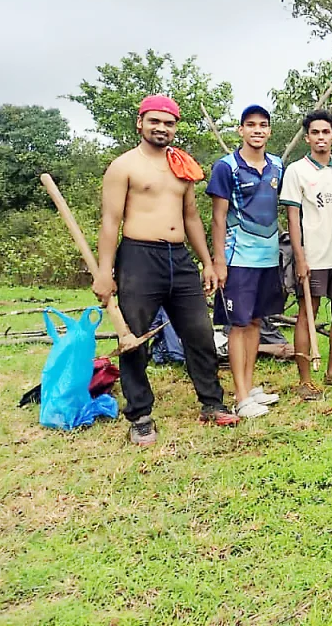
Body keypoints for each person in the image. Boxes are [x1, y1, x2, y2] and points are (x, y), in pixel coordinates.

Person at [92, 95, 239, 445]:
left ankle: (212, 403)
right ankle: (140, 414)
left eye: (169, 123)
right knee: (134, 339)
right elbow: (110, 221)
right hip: (139, 257)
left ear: (175, 128)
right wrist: (104, 271)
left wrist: (206, 261)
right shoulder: (124, 166)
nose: (162, 128)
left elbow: (190, 217)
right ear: (140, 123)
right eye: (154, 121)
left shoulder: (181, 166)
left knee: (200, 333)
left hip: (179, 257)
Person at [206, 104, 285, 418]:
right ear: (240, 130)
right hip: (237, 258)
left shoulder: (278, 165)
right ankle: (240, 397)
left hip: (267, 258)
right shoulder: (227, 167)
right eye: (250, 125)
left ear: (269, 130)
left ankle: (249, 387)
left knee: (255, 321)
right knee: (238, 325)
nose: (257, 130)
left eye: (263, 125)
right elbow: (217, 217)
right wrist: (218, 261)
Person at [279, 109, 332, 399]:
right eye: (315, 132)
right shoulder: (296, 171)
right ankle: (304, 380)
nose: (321, 137)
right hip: (313, 256)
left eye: (326, 132)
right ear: (308, 138)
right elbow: (292, 218)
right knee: (307, 314)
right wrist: (300, 258)